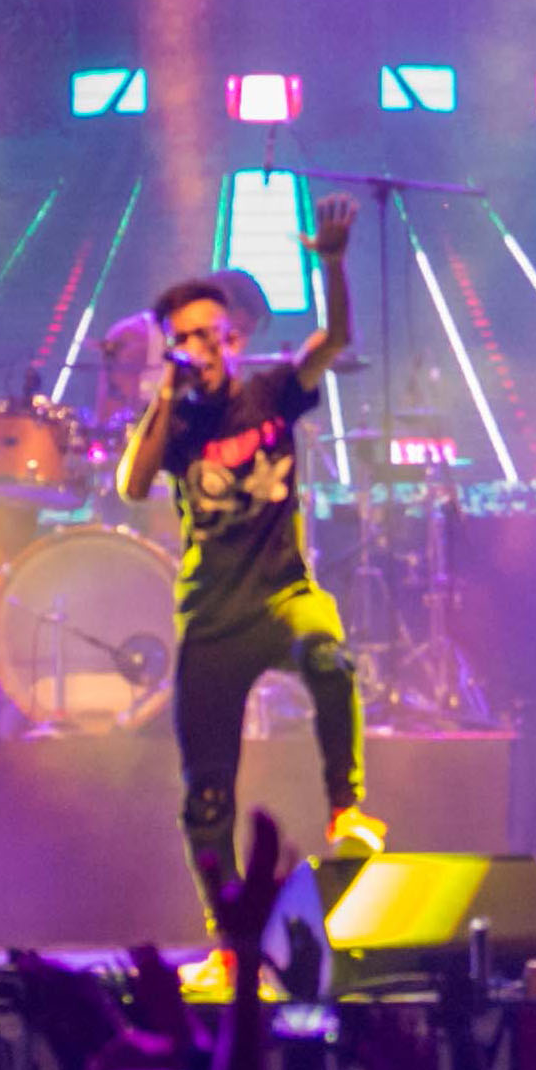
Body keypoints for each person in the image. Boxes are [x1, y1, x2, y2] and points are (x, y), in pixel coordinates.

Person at [117, 203, 372, 909]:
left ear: (233, 339)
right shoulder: (174, 420)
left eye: (207, 334)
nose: (196, 346)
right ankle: (227, 939)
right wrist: (166, 390)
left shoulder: (270, 393)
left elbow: (339, 336)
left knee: (327, 653)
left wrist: (332, 260)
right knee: (204, 797)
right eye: (182, 338)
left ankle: (344, 804)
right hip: (209, 620)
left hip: (282, 593)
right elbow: (132, 483)